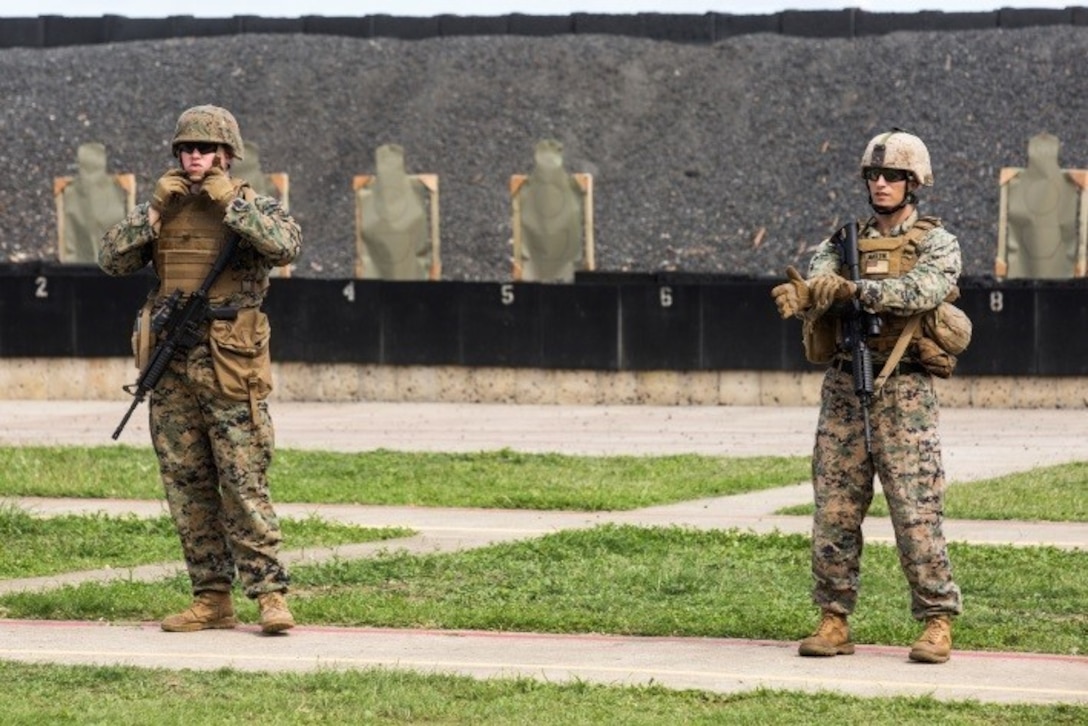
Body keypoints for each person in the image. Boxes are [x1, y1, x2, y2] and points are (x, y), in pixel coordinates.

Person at [99, 105, 301, 634]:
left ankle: (270, 595)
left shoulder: (251, 205)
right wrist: (152, 210)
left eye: (206, 149)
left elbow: (285, 246)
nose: (195, 157)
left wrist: (230, 203)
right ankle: (211, 598)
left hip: (230, 363)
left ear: (227, 154)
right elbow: (112, 260)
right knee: (186, 483)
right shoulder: (163, 208)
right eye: (187, 149)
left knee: (243, 479)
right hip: (172, 364)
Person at [771, 129, 963, 664]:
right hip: (844, 388)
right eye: (874, 175)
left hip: (904, 390)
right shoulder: (841, 242)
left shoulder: (937, 242)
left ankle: (937, 620)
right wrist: (811, 296)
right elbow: (821, 278)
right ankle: (833, 619)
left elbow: (923, 290)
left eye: (893, 176)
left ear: (914, 182)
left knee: (916, 510)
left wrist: (859, 290)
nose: (881, 183)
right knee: (835, 509)